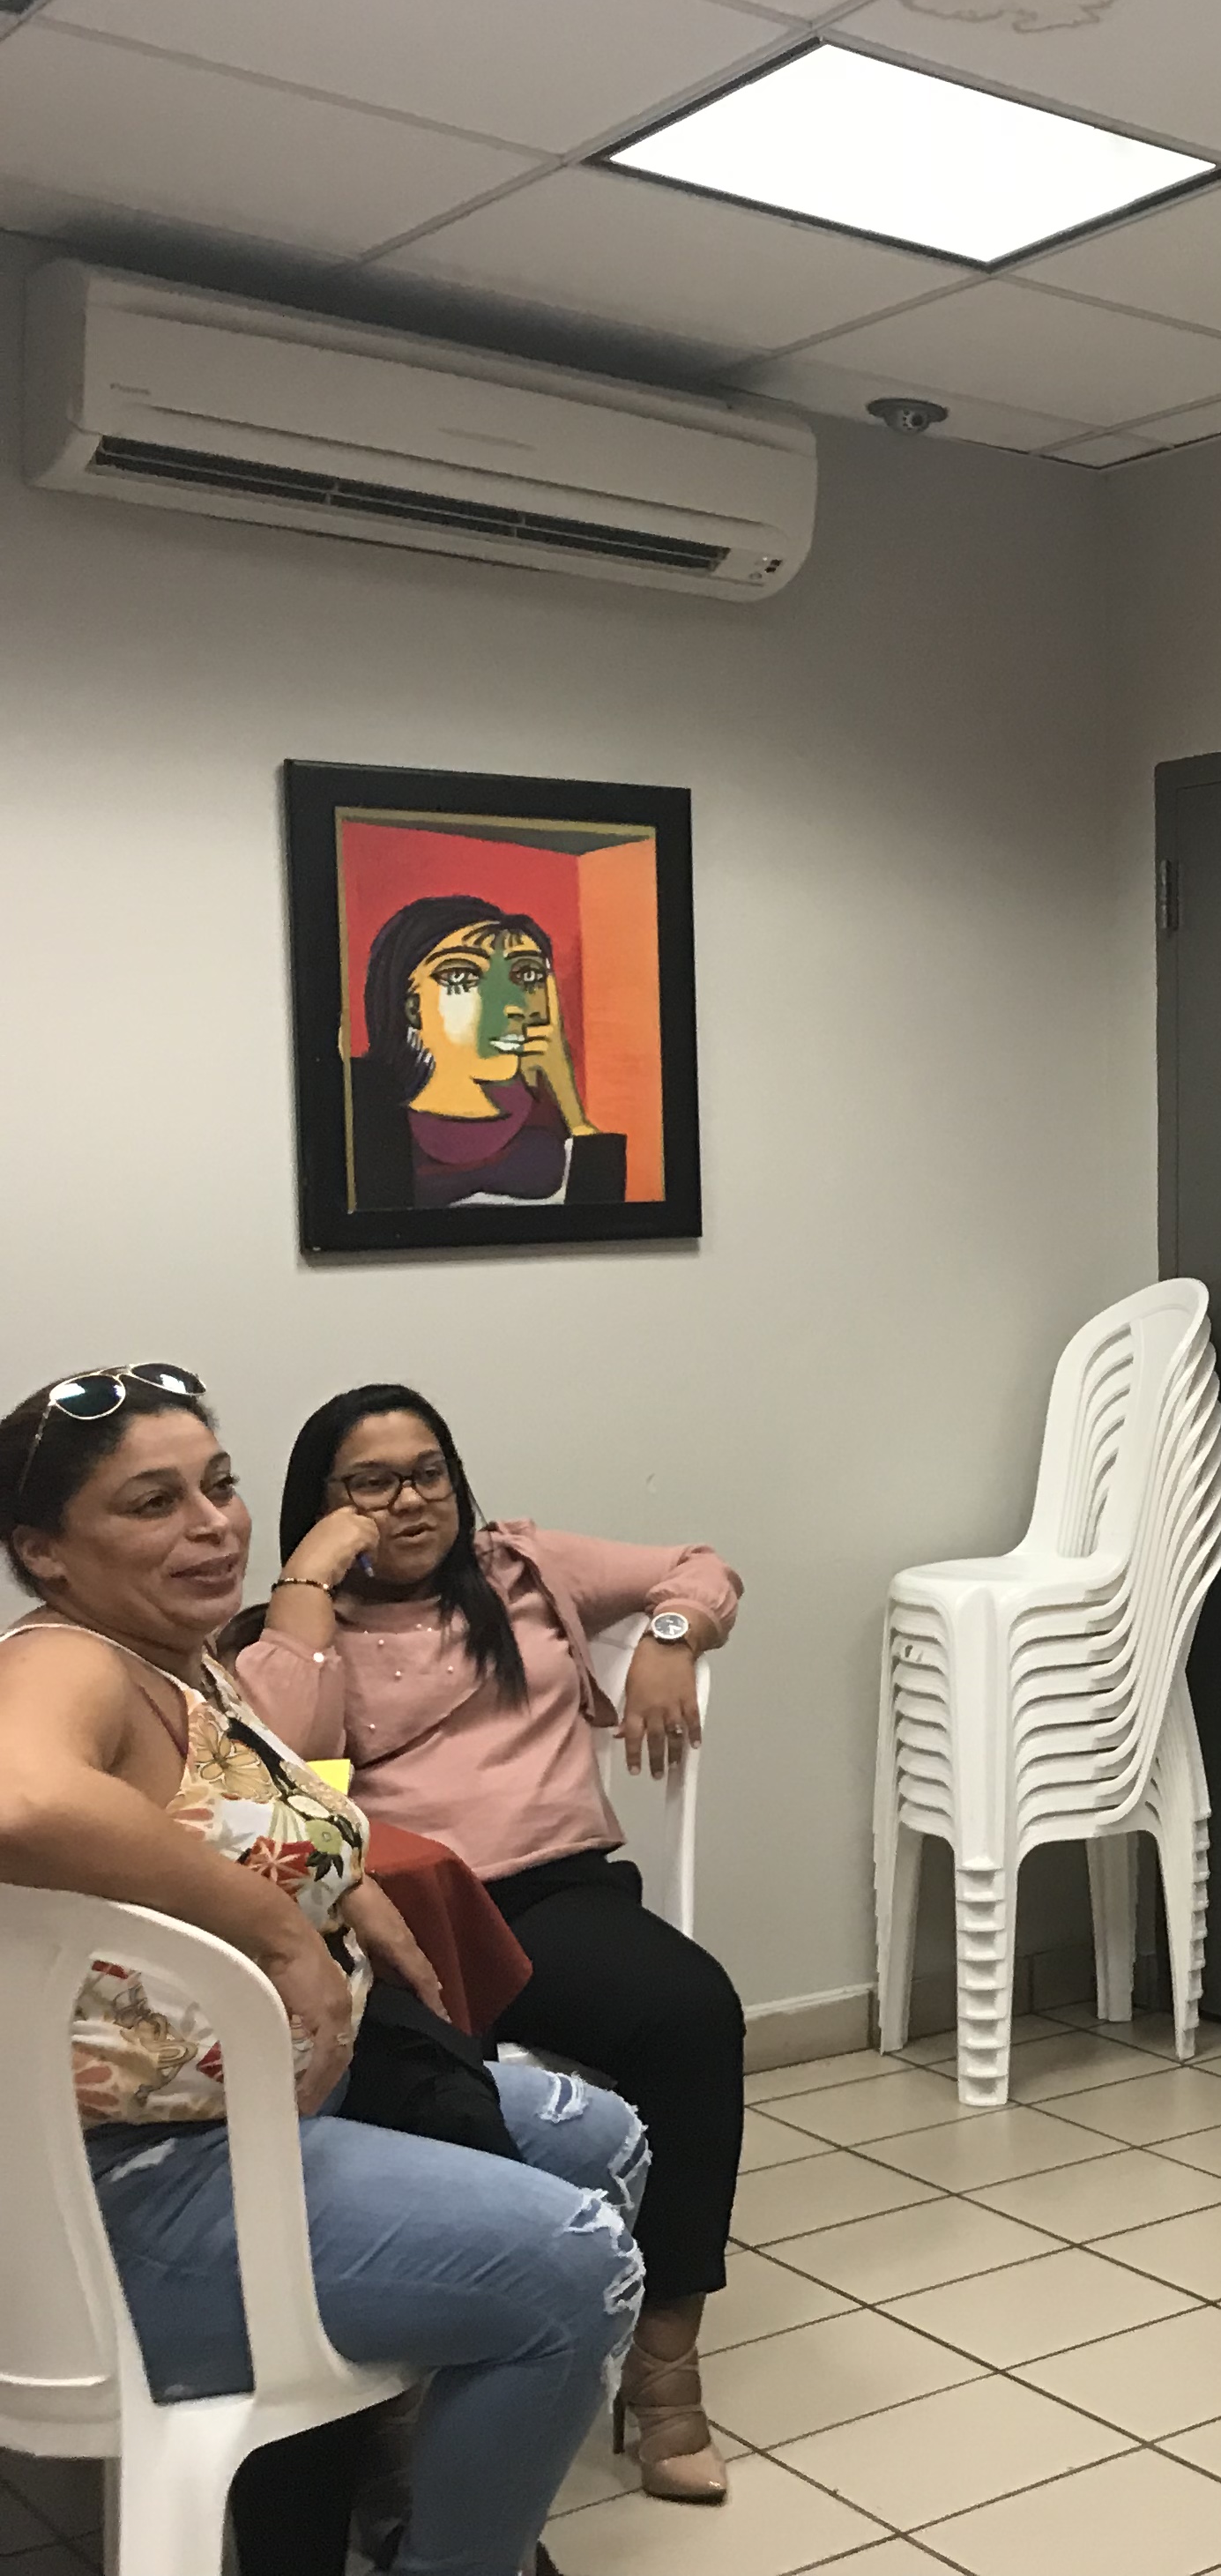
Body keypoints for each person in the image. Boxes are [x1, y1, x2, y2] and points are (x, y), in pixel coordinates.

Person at [0, 1365, 646, 2576]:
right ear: (46, 1552)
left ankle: (431, 2496)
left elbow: (228, 1803)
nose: (213, 1526)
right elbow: (19, 1798)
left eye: (220, 1485)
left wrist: (343, 1886)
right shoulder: (65, 1661)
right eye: (153, 1503)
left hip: (269, 2117)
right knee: (577, 2262)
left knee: (602, 2141)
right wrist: (279, 1929)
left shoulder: (179, 1658)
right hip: (135, 2191)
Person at [232, 1383, 744, 2506]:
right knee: (411, 2086)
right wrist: (309, 1585)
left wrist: (669, 1636)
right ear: (323, 1504)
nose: (410, 1501)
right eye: (371, 1484)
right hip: (396, 1917)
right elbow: (276, 1762)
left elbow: (700, 1567)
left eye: (429, 1474)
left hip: (553, 1894)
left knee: (692, 2013)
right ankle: (391, 2385)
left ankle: (665, 2366)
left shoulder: (524, 1568)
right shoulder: (293, 1631)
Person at [348, 895, 626, 1211]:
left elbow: (601, 1222)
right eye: (463, 976)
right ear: (412, 1008)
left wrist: (572, 1109)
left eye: (528, 975)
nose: (514, 1005)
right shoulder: (367, 1111)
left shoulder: (543, 1111)